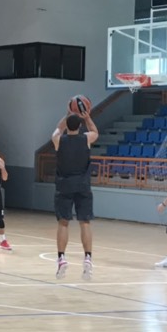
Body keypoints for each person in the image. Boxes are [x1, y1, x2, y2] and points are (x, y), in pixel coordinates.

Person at [51, 109, 98, 279]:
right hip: (82, 185)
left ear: (67, 125)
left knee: (63, 223)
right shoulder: (86, 139)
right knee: (85, 222)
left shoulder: (59, 140)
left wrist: (67, 114)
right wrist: (87, 117)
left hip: (64, 185)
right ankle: (88, 258)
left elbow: (57, 129)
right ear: (80, 126)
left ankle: (62, 258)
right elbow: (95, 131)